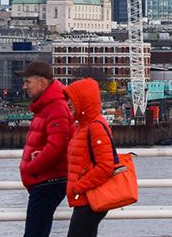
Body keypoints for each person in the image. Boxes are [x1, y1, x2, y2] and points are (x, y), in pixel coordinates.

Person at [18, 60, 73, 237]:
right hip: (44, 181)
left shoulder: (55, 107)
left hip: (48, 181)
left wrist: (30, 169)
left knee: (34, 233)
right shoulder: (47, 106)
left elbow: (57, 147)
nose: (24, 86)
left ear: (42, 82)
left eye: (28, 82)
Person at [64, 78, 115, 237]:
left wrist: (79, 186)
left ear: (83, 101)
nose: (68, 103)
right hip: (86, 198)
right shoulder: (84, 125)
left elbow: (106, 166)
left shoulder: (94, 126)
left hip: (89, 199)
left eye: (73, 99)